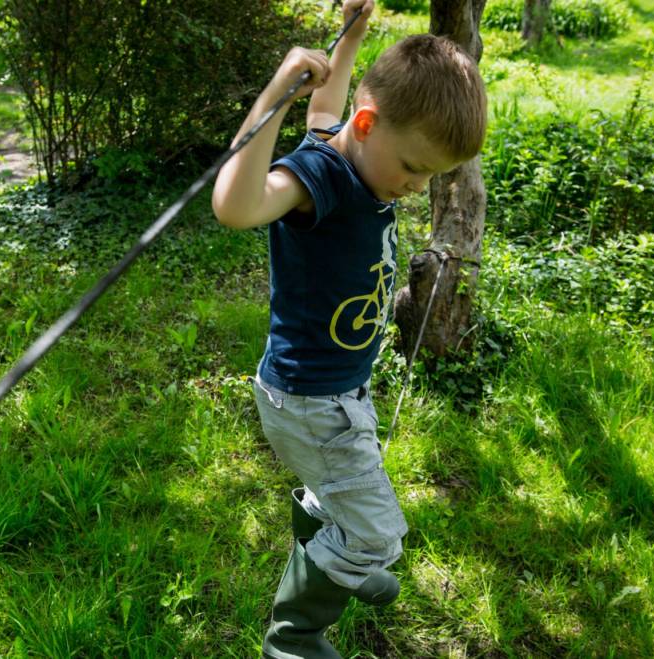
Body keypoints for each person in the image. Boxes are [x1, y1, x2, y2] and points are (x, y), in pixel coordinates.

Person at [211, 0, 487, 655]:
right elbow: (236, 206)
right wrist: (273, 99)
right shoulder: (319, 178)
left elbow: (325, 108)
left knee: (340, 502)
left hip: (336, 394)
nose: (418, 187)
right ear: (367, 125)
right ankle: (296, 635)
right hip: (312, 400)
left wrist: (353, 31)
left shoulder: (355, 150)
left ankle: (323, 543)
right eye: (415, 168)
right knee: (378, 536)